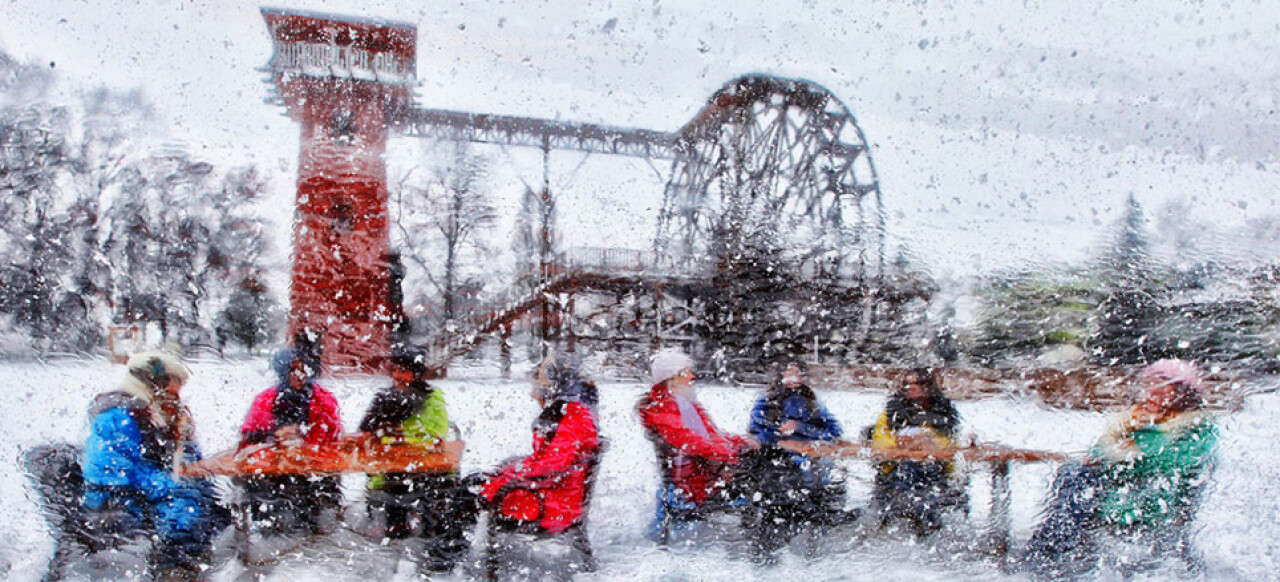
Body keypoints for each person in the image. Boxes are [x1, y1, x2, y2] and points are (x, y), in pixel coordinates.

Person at [1023, 359, 1219, 578]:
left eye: (1159, 387)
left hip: (1155, 499)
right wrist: (1113, 450)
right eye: (1148, 386)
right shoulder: (1138, 420)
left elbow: (1165, 462)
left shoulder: (1195, 426)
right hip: (1121, 491)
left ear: (1181, 392)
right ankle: (1057, 544)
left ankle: (1053, 548)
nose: (1150, 393)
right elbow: (1099, 452)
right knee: (1074, 474)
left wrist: (1117, 456)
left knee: (1078, 481)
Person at [81, 351, 229, 580]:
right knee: (184, 503)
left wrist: (184, 438)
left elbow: (186, 458)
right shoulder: (118, 414)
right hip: (115, 497)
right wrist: (169, 482)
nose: (178, 390)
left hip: (146, 487)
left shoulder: (160, 412)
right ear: (154, 382)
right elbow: (114, 470)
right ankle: (172, 565)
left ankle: (193, 556)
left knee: (210, 500)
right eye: (175, 383)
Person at [359, 347, 474, 574]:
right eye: (396, 371)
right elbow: (366, 432)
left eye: (405, 371)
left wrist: (395, 436)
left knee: (435, 490)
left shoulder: (432, 398)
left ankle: (436, 549)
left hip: (425, 469)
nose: (399, 376)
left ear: (416, 374)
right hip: (391, 469)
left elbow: (433, 436)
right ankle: (397, 525)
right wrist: (383, 436)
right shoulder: (384, 398)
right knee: (392, 481)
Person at [637, 348, 756, 542]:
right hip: (692, 482)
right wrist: (729, 453)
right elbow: (690, 442)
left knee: (762, 465)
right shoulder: (661, 408)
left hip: (705, 472)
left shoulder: (685, 402)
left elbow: (711, 436)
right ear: (672, 377)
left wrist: (737, 442)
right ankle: (761, 540)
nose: (692, 376)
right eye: (687, 372)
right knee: (759, 479)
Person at [481, 352, 602, 535]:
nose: (532, 394)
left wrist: (497, 483)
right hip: (556, 498)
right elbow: (545, 461)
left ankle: (446, 557)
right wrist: (503, 474)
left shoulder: (571, 419)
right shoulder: (569, 415)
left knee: (464, 498)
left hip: (552, 507)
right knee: (471, 489)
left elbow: (551, 468)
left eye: (537, 387)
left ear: (551, 389)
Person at [742, 359, 847, 561]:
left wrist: (801, 428)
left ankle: (813, 537)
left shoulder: (812, 402)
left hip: (810, 461)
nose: (793, 378)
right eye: (788, 373)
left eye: (797, 374)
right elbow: (756, 436)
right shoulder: (767, 401)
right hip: (776, 463)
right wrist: (777, 435)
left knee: (826, 484)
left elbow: (833, 431)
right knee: (785, 491)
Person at [236, 348, 343, 536]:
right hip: (273, 465)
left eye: (302, 369)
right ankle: (270, 528)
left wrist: (307, 447)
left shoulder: (323, 399)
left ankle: (308, 524)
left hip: (310, 465)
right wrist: (274, 437)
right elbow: (249, 437)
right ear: (283, 371)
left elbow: (332, 438)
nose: (299, 374)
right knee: (263, 485)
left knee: (311, 486)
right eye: (292, 369)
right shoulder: (267, 399)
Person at [865, 367, 966, 537]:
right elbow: (881, 440)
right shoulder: (892, 410)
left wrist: (929, 440)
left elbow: (950, 443)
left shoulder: (944, 411)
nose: (910, 387)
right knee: (907, 474)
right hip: (898, 467)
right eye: (907, 384)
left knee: (932, 480)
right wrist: (903, 444)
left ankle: (929, 528)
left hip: (935, 467)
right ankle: (902, 526)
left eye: (916, 383)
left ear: (928, 386)